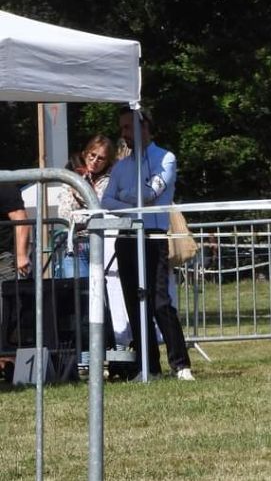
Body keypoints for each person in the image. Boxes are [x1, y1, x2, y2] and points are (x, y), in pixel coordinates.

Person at [102, 104, 195, 381]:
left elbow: (151, 193)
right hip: (127, 239)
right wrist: (133, 199)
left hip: (153, 239)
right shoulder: (121, 166)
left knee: (160, 302)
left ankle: (181, 364)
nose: (124, 134)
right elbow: (106, 200)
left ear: (144, 127)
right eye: (121, 129)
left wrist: (127, 197)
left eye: (128, 127)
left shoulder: (165, 158)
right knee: (134, 303)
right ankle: (149, 366)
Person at [56, 135, 116, 279]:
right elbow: (65, 213)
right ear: (85, 153)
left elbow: (102, 210)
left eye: (101, 158)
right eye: (92, 155)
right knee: (77, 292)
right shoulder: (71, 176)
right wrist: (89, 216)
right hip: (75, 243)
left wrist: (79, 197)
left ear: (108, 161)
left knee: (104, 293)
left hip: (104, 243)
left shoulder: (112, 179)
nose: (95, 161)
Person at [0, 182, 30, 282]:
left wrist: (21, 255)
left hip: (3, 258)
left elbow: (20, 218)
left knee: (5, 295)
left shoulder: (4, 185)